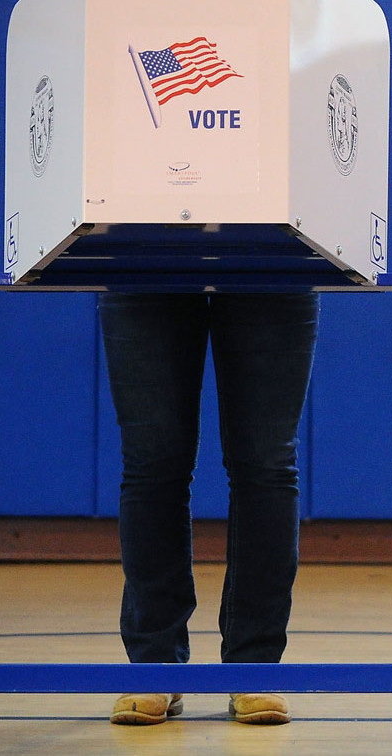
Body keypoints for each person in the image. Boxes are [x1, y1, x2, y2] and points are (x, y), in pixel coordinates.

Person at [98, 292, 319, 726]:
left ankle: (253, 666)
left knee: (267, 465)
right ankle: (154, 663)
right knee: (152, 464)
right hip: (141, 247)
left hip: (273, 251)